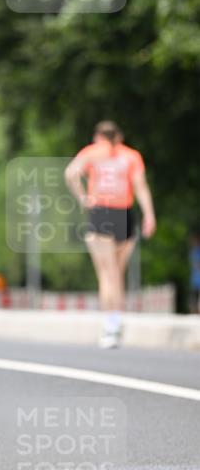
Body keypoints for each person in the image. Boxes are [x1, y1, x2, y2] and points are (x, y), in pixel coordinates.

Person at [65, 121, 156, 348]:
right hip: (124, 213)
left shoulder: (93, 153)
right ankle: (116, 321)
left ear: (98, 136)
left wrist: (83, 198)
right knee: (118, 273)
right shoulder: (131, 156)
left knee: (106, 274)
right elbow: (140, 186)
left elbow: (70, 174)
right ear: (119, 136)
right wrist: (149, 215)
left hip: (102, 212)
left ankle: (110, 325)